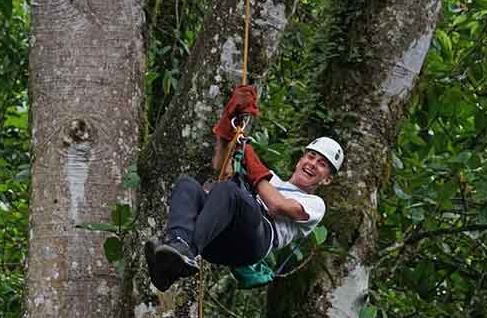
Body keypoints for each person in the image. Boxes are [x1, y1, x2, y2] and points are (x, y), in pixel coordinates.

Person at [144, 86, 344, 292]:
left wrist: (248, 154)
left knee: (228, 190)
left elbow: (276, 205)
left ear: (326, 180)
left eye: (322, 164)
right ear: (300, 159)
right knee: (188, 185)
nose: (312, 164)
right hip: (217, 241)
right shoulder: (271, 179)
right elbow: (222, 167)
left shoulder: (315, 205)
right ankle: (175, 251)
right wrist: (227, 124)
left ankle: (186, 253)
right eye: (310, 156)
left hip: (254, 242)